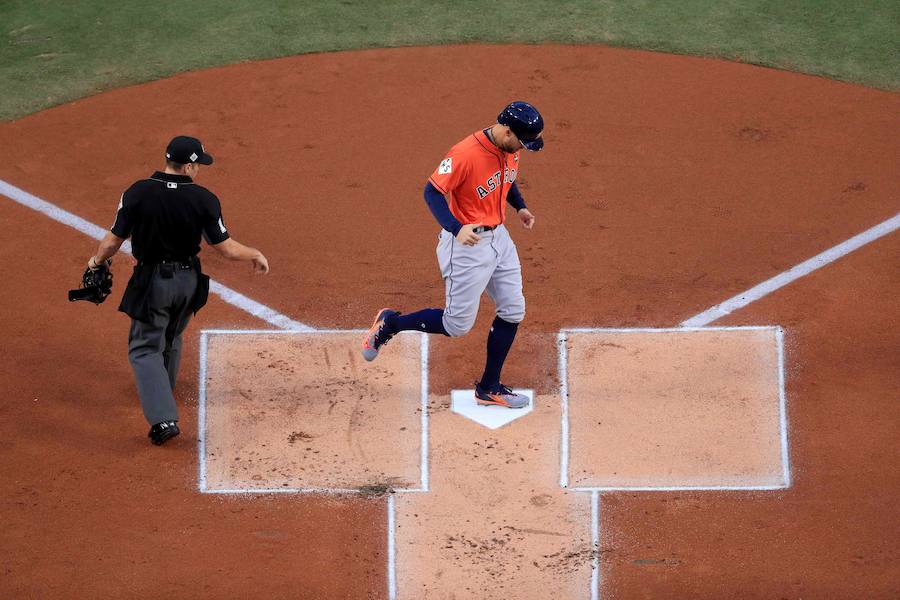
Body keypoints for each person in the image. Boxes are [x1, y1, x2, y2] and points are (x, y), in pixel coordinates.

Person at [85, 135, 269, 445]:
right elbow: (225, 248)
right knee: (172, 334)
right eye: (198, 166)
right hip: (189, 283)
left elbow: (113, 241)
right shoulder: (204, 199)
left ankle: (163, 419)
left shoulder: (137, 192)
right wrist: (255, 254)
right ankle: (162, 387)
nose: (199, 171)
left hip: (153, 281)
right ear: (187, 167)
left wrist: (95, 262)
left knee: (144, 348)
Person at [361, 101, 543, 408]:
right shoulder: (464, 154)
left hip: (500, 239)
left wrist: (520, 206)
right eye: (521, 141)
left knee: (513, 310)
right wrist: (456, 227)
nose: (521, 149)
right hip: (467, 245)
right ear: (507, 131)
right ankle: (390, 324)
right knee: (456, 325)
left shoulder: (511, 146)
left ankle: (489, 387)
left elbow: (505, 180)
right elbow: (431, 192)